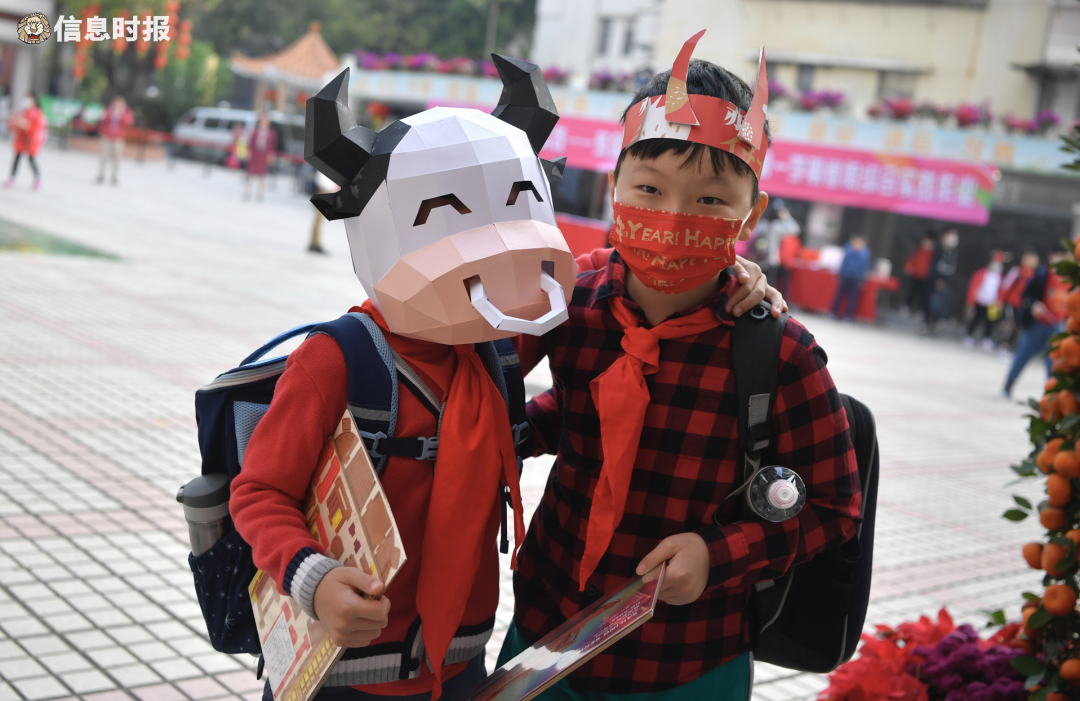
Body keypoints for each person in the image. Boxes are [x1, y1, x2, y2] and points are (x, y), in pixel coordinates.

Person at [229, 61, 782, 701]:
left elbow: (561, 342)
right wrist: (313, 580)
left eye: (513, 209)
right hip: (343, 665)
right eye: (444, 215)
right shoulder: (340, 359)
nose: (491, 247)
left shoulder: (497, 344)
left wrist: (734, 274)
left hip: (465, 664)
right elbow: (260, 491)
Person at [501, 34, 860, 700]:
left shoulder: (782, 351)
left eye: (710, 201)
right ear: (614, 187)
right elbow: (562, 408)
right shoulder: (567, 298)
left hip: (690, 657)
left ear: (749, 214)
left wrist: (719, 552)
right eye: (649, 187)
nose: (672, 219)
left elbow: (836, 505)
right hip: (545, 624)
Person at [1003, 248, 1069, 398]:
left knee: (1053, 363)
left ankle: (1050, 395)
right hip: (1037, 325)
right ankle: (1008, 384)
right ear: (1051, 257)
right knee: (1023, 355)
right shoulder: (1042, 275)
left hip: (1057, 327)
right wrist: (1034, 305)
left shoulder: (1070, 279)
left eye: (1064, 257)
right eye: (1058, 256)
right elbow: (1026, 295)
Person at [4, 94, 46, 190]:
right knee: (17, 158)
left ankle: (38, 178)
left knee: (31, 160)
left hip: (31, 140)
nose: (26, 100)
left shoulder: (37, 113)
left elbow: (37, 129)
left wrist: (26, 126)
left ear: (34, 100)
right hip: (21, 140)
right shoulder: (23, 112)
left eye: (29, 98)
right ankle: (12, 178)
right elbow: (16, 125)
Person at [999, 251, 1039, 351]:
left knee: (1017, 326)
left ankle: (1008, 346)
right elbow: (1006, 285)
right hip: (1011, 303)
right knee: (1010, 324)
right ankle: (1003, 345)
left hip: (1022, 305)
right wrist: (1000, 300)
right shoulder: (1016, 271)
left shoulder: (1034, 275)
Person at [964, 252, 1004, 350]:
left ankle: (986, 338)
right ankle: (969, 336)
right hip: (979, 301)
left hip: (991, 304)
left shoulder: (1000, 276)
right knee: (975, 319)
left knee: (990, 322)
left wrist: (999, 302)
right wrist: (971, 302)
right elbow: (973, 287)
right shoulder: (981, 273)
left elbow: (1001, 290)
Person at [923, 228, 960, 334]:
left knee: (941, 303)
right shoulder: (939, 250)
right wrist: (937, 279)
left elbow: (951, 268)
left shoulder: (953, 252)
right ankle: (927, 322)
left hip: (945, 282)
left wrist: (945, 280)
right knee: (931, 302)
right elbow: (934, 265)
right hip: (934, 280)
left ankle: (936, 322)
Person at [831, 235, 871, 321]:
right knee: (839, 295)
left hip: (856, 277)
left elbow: (865, 267)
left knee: (853, 297)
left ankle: (848, 315)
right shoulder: (848, 249)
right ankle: (833, 312)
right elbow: (844, 263)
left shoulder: (865, 252)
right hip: (846, 275)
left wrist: (863, 279)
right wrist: (840, 274)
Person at [96, 95, 134, 185]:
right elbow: (102, 119)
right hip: (106, 136)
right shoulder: (108, 109)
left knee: (117, 158)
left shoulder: (127, 111)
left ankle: (114, 177)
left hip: (119, 138)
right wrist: (111, 113)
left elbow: (128, 122)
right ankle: (101, 175)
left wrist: (121, 114)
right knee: (103, 156)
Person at [766, 200, 801, 297]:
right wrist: (772, 258)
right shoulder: (776, 225)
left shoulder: (784, 225)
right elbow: (772, 244)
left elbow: (796, 230)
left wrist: (787, 217)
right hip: (775, 258)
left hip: (784, 259)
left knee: (784, 282)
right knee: (772, 282)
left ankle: (782, 301)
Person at [243, 111, 276, 201]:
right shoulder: (255, 131)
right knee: (250, 173)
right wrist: (248, 152)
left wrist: (271, 155)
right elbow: (250, 143)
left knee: (263, 174)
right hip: (255, 154)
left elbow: (272, 145)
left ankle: (260, 193)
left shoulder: (271, 133)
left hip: (264, 155)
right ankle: (247, 191)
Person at [902, 233, 935, 317]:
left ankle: (921, 310)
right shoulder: (919, 249)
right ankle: (907, 307)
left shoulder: (933, 253)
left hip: (925, 277)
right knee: (912, 292)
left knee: (924, 295)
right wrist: (908, 266)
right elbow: (912, 259)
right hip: (915, 274)